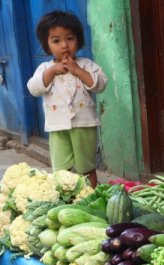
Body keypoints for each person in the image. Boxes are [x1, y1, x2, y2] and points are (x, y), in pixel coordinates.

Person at [27, 10, 107, 187]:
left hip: (84, 125)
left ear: (78, 40)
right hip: (57, 127)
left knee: (86, 167)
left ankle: (91, 194)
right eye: (56, 41)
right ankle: (67, 199)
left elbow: (100, 84)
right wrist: (52, 72)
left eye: (70, 38)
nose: (64, 45)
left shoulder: (86, 64)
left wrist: (77, 71)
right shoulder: (45, 68)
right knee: (61, 170)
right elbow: (33, 88)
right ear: (47, 46)